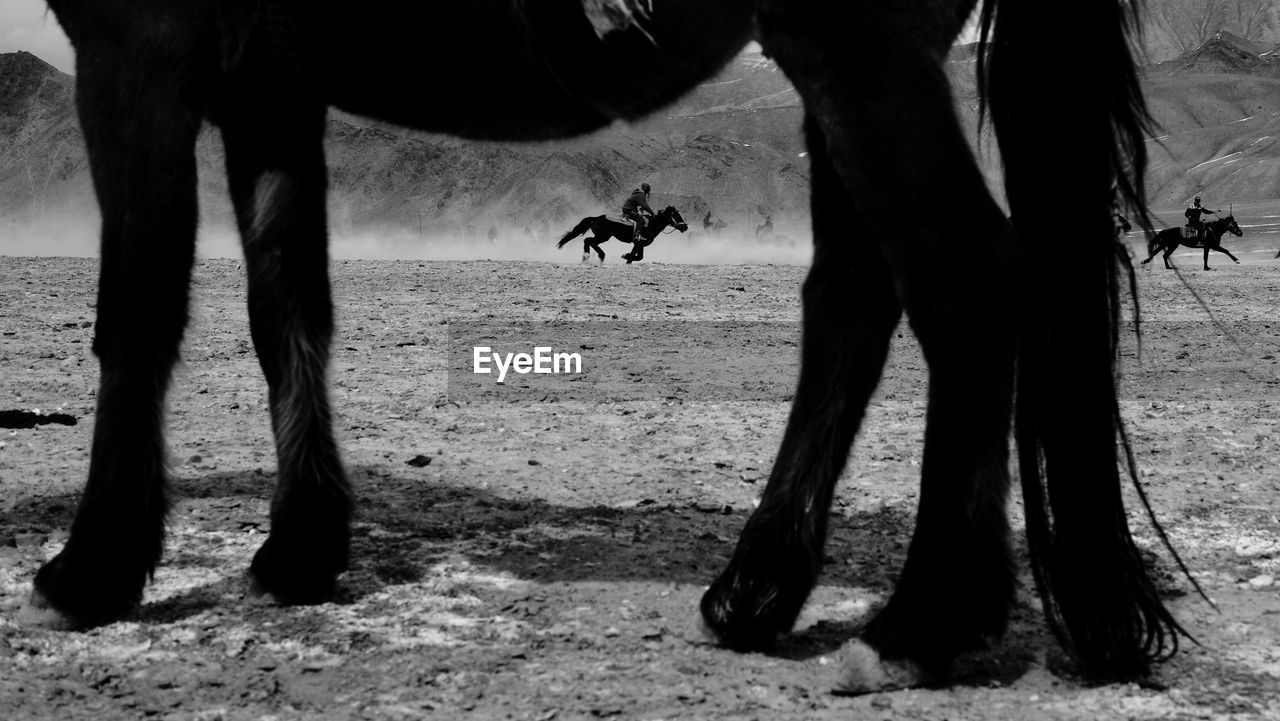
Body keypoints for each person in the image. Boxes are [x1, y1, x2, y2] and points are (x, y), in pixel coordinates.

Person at [621, 183, 654, 258]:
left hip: (628, 208)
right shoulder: (640, 195)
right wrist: (652, 213)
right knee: (641, 220)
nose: (648, 192)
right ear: (645, 189)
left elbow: (642, 206)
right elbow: (645, 206)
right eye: (647, 190)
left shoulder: (638, 194)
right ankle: (637, 235)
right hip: (629, 209)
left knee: (639, 217)